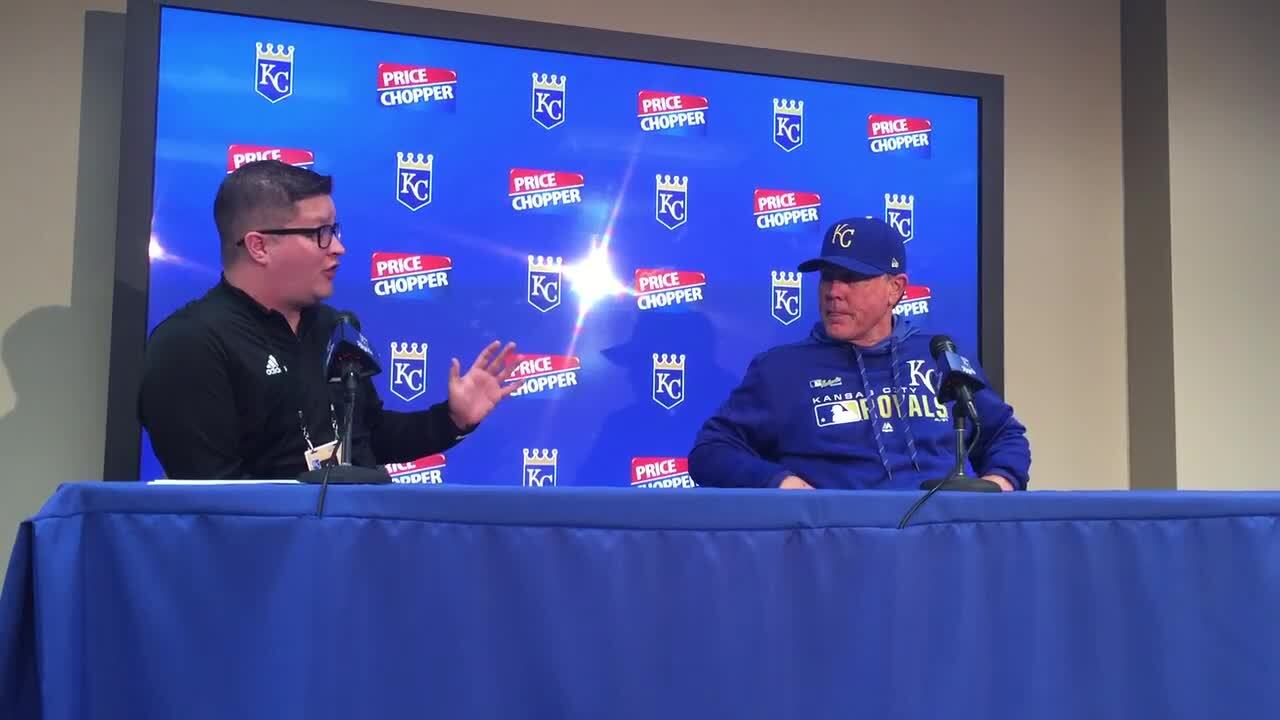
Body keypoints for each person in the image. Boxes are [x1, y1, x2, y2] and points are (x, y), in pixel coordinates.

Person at [138, 160, 521, 480]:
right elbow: (213, 502)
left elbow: (367, 438)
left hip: (358, 550)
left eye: (334, 231)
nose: (338, 248)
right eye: (320, 233)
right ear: (259, 246)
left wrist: (452, 419)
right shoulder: (190, 345)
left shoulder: (335, 327)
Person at [688, 216, 1030, 491]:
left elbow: (1003, 434)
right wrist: (779, 483)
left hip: (937, 547)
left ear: (895, 288)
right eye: (827, 278)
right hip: (834, 550)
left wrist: (998, 485)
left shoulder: (939, 358)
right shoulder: (781, 370)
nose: (834, 292)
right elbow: (710, 452)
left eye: (852, 279)